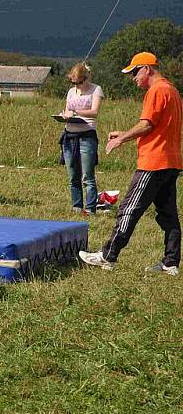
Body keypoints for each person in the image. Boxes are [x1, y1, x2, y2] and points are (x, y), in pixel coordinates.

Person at [79, 52, 181, 275]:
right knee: (168, 215)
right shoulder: (172, 90)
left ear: (147, 69)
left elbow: (147, 125)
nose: (133, 77)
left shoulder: (156, 91)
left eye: (135, 72)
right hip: (172, 162)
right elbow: (158, 126)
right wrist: (125, 132)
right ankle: (171, 263)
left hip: (153, 162)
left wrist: (121, 139)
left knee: (128, 209)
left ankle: (108, 255)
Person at [59, 63, 104, 215]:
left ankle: (90, 208)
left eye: (79, 82)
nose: (77, 85)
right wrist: (64, 115)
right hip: (69, 135)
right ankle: (76, 205)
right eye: (74, 82)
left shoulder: (96, 89)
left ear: (86, 78)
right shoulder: (71, 92)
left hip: (87, 135)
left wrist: (76, 111)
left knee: (87, 175)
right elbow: (67, 110)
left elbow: (95, 112)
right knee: (73, 174)